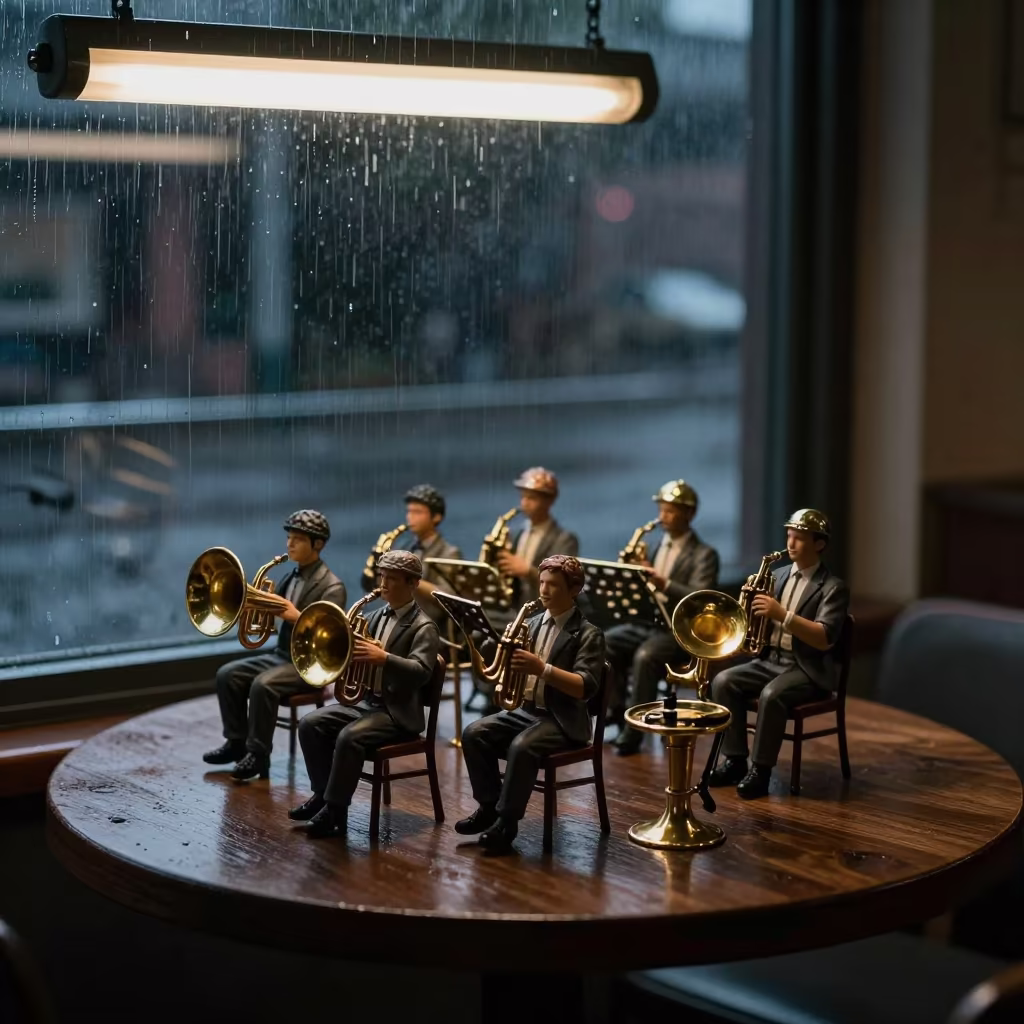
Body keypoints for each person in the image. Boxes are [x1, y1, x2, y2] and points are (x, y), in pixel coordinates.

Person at [456, 555, 606, 854]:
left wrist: (542, 669)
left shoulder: (588, 633)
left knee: (522, 747)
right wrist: (496, 648)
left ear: (574, 589)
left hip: (562, 720)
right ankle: (489, 808)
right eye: (541, 583)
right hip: (527, 711)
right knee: (474, 733)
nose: (543, 591)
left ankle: (507, 823)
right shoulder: (532, 622)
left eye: (552, 585)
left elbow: (586, 686)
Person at [290, 550, 441, 838]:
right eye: (381, 577)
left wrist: (383, 658)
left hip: (397, 713)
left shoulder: (424, 627)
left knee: (350, 736)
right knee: (311, 724)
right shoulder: (372, 617)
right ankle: (322, 795)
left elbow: (422, 672)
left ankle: (335, 809)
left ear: (412, 584)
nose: (383, 584)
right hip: (367, 702)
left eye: (392, 579)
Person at [709, 509, 850, 799]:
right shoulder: (778, 574)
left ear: (819, 544)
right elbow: (757, 621)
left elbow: (824, 638)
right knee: (723, 681)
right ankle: (735, 759)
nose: (791, 543)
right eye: (789, 535)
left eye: (799, 538)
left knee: (772, 695)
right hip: (769, 659)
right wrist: (747, 605)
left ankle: (761, 771)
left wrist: (782, 615)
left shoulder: (833, 588)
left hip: (806, 668)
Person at [202, 509, 347, 781]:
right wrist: (249, 603)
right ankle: (236, 742)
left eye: (298, 539)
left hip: (310, 665)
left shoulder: (333, 586)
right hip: (282, 655)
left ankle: (258, 754)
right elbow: (267, 609)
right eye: (289, 538)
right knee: (228, 675)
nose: (289, 544)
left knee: (263, 684)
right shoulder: (290, 577)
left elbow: (330, 632)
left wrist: (295, 615)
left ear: (318, 544)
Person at [606, 480, 720, 756]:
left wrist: (661, 581)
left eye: (669, 511)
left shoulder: (705, 555)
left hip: (679, 632)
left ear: (689, 514)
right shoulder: (655, 545)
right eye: (661, 509)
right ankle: (618, 710)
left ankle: (634, 732)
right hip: (649, 624)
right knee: (605, 641)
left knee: (646, 656)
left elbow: (699, 598)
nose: (662, 517)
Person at [497, 467, 579, 607]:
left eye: (532, 498)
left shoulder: (564, 539)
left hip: (543, 608)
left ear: (549, 501)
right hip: (513, 607)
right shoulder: (516, 534)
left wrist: (528, 571)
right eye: (523, 497)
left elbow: (561, 583)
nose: (524, 503)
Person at [396, 483, 462, 626]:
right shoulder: (404, 547)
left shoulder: (449, 552)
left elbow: (447, 596)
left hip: (431, 626)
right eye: (409, 511)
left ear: (436, 517)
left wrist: (409, 578)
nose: (410, 517)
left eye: (418, 512)